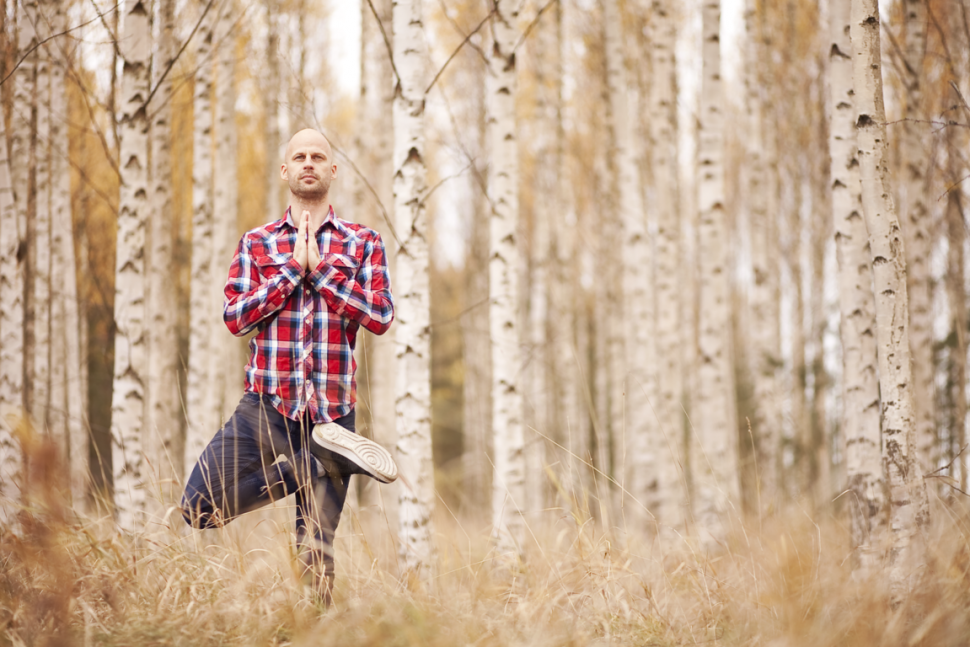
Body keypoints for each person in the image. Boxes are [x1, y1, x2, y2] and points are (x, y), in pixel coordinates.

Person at [181, 128, 396, 606]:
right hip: (266, 408)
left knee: (314, 557)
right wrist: (290, 271)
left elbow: (380, 317)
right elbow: (235, 318)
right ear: (285, 171)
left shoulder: (363, 242)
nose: (308, 163)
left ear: (332, 170)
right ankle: (303, 468)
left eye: (318, 156)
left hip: (333, 419)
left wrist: (319, 270)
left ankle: (312, 636)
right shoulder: (257, 244)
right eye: (299, 156)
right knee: (198, 507)